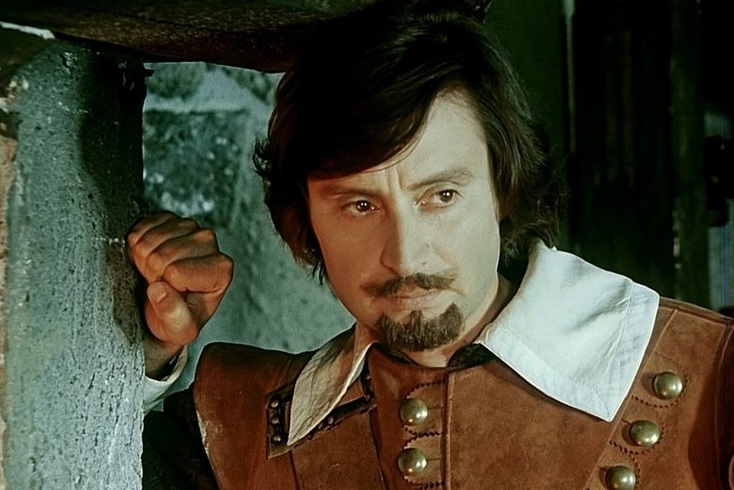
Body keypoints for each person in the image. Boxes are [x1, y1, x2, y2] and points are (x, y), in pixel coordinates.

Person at [129, 1, 734, 488]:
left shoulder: (714, 380)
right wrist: (148, 348)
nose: (406, 256)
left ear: (501, 189)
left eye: (441, 196)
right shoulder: (235, 428)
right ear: (307, 218)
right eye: (360, 206)